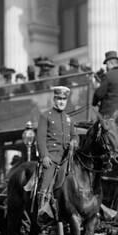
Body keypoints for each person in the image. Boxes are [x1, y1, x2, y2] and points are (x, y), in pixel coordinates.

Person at [36, 86, 79, 220]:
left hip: (66, 159)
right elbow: (40, 138)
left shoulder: (68, 119)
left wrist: (74, 141)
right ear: (54, 99)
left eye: (64, 99)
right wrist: (44, 156)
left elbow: (75, 136)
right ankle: (42, 210)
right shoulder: (46, 116)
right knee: (47, 179)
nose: (61, 102)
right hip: (52, 158)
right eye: (59, 98)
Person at [92, 50, 118, 119]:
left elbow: (99, 94)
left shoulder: (108, 75)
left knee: (94, 128)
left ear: (110, 63)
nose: (106, 67)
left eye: (106, 65)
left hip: (109, 116)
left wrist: (94, 102)